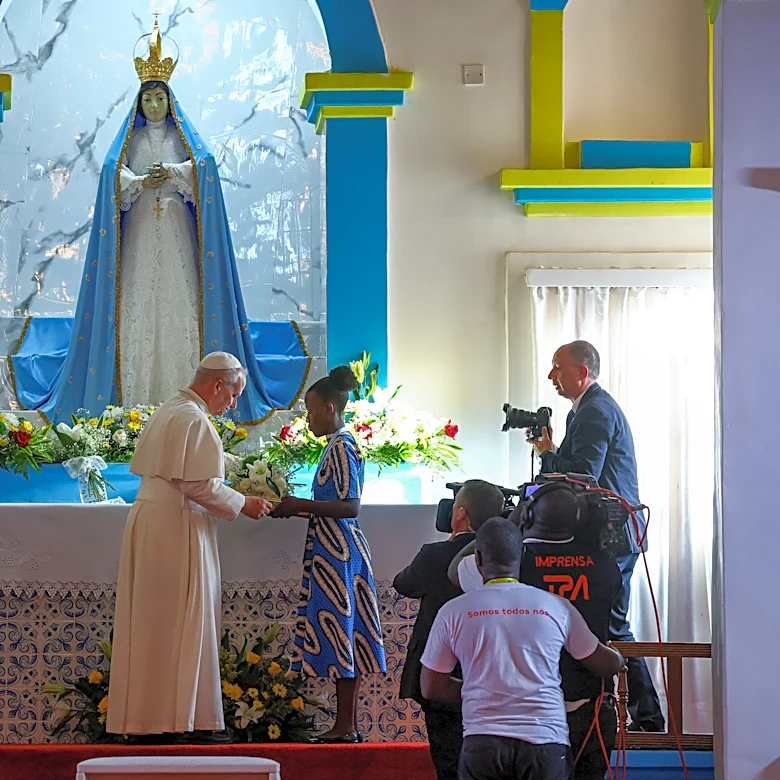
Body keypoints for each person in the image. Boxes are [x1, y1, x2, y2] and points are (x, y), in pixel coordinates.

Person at [30, 16, 284, 423]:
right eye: (147, 99)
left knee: (179, 305)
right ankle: (136, 405)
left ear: (170, 101)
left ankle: (186, 403)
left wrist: (176, 172)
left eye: (159, 98)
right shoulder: (129, 141)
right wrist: (137, 181)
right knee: (138, 306)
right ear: (139, 103)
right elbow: (112, 174)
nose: (153, 105)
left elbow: (204, 167)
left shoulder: (183, 139)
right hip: (140, 232)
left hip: (178, 231)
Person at [107, 352, 274, 743]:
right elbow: (197, 484)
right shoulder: (193, 419)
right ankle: (177, 722)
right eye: (233, 394)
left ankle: (151, 719)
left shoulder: (172, 409)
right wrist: (244, 503)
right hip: (175, 525)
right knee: (180, 620)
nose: (232, 404)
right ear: (217, 384)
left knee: (155, 624)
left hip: (157, 521)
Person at [527, 340, 665, 732]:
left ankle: (649, 720)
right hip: (608, 533)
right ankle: (614, 715)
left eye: (558, 367)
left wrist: (548, 453)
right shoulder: (587, 408)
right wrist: (550, 450)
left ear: (582, 372)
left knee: (612, 625)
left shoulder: (594, 410)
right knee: (602, 624)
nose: (551, 376)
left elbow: (584, 474)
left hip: (613, 535)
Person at [421, 518, 624, 780]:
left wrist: (484, 691)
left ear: (478, 559)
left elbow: (432, 687)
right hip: (545, 742)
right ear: (523, 554)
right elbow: (603, 663)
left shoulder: (453, 611)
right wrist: (618, 657)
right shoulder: (555, 606)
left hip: (483, 742)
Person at [271, 366, 387, 742]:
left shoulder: (343, 446)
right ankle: (346, 725)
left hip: (340, 552)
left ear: (330, 407)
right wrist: (289, 508)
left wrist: (300, 504)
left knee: (343, 634)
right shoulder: (336, 445)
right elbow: (331, 504)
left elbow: (350, 506)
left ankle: (346, 726)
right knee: (343, 634)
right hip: (331, 547)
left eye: (311, 410)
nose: (308, 419)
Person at [394, 480, 506, 780]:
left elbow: (403, 583)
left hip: (440, 673)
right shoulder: (505, 558)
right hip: (490, 670)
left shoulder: (434, 555)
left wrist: (448, 542)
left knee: (447, 760)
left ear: (460, 514)